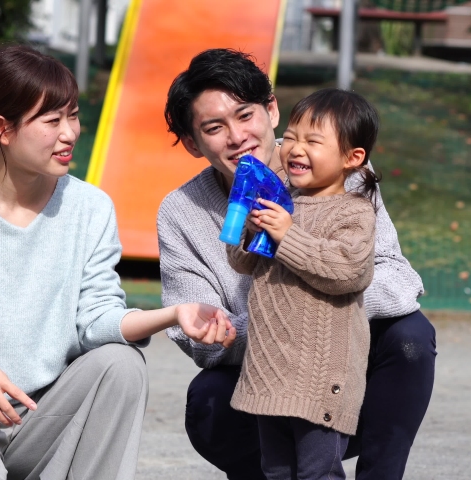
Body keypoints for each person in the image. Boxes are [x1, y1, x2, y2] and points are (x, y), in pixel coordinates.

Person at [0, 44, 234, 480]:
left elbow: (94, 321)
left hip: (38, 419)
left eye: (74, 115)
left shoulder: (89, 207)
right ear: (3, 129)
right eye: (52, 120)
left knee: (120, 364)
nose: (70, 133)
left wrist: (175, 313)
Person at [159, 48, 436, 480]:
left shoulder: (340, 171)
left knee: (411, 337)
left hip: (343, 366)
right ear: (194, 143)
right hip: (262, 375)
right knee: (208, 399)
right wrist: (224, 327)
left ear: (271, 110)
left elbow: (398, 281)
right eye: (215, 127)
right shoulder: (180, 212)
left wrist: (306, 313)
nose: (237, 137)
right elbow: (201, 340)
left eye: (245, 114)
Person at [227, 88, 381, 479]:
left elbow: (348, 271)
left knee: (318, 472)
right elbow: (243, 262)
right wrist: (248, 220)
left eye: (313, 141)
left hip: (320, 376)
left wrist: (287, 235)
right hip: (270, 368)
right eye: (291, 136)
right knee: (275, 471)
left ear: (353, 157)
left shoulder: (353, 212)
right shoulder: (281, 202)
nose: (295, 148)